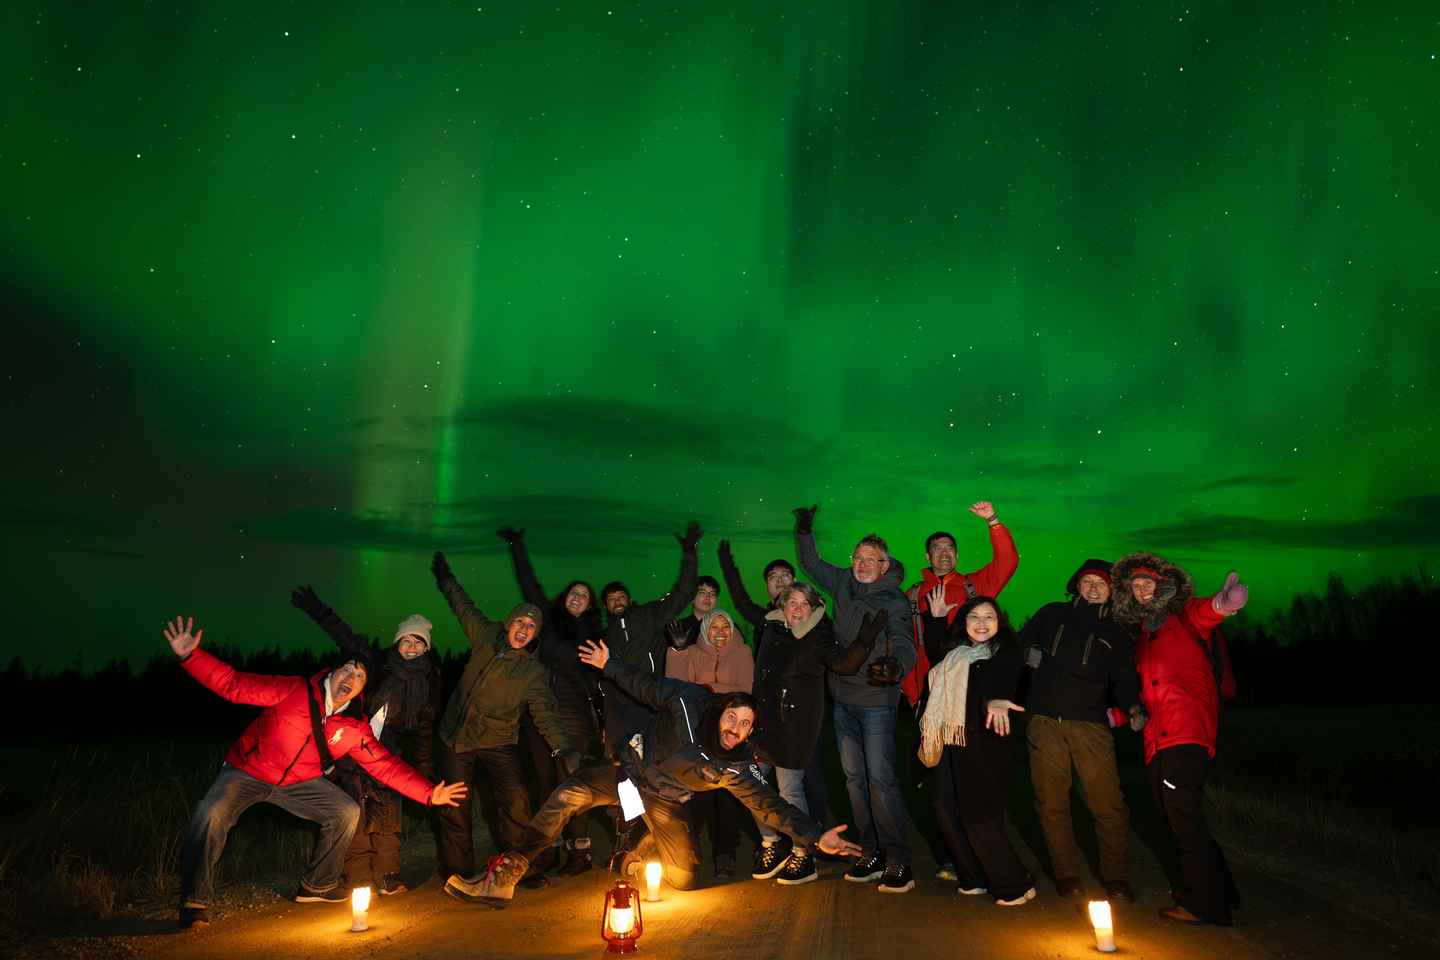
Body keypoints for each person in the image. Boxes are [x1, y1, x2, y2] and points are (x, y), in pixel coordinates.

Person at [443, 637, 863, 902]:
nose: (735, 728)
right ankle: (509, 871)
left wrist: (815, 836)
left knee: (683, 879)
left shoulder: (734, 767)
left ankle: (647, 846)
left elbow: (770, 805)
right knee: (569, 793)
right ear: (721, 711)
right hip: (629, 777)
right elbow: (645, 685)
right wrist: (609, 665)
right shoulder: (687, 703)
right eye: (733, 717)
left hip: (665, 802)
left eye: (745, 725)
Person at [165, 615, 466, 929]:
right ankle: (194, 899)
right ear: (332, 673)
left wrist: (429, 793)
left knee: (345, 811)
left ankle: (317, 886)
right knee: (211, 813)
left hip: (299, 781)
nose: (351, 677)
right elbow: (234, 684)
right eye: (346, 669)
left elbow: (385, 766)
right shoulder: (293, 690)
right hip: (248, 771)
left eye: (360, 676)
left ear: (362, 689)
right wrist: (191, 656)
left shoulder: (353, 726)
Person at [1112, 553, 1249, 926]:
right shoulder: (1144, 635)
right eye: (1135, 585)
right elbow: (1147, 692)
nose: (1141, 589)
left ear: (1162, 584)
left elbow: (1209, 612)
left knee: (1182, 818)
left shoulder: (1183, 615)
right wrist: (1120, 716)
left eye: (1147, 582)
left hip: (1186, 731)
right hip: (1157, 739)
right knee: (1180, 816)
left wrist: (1226, 602)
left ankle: (1206, 905)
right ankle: (1222, 892)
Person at [429, 551, 581, 887]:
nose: (524, 629)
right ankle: (458, 872)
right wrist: (446, 579)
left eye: (531, 627)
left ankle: (522, 867)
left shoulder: (532, 672)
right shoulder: (485, 635)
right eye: (520, 622)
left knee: (515, 802)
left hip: (499, 741)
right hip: (456, 737)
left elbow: (545, 713)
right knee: (455, 805)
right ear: (509, 623)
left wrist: (563, 747)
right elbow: (463, 605)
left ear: (535, 635)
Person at [289, 586, 444, 896]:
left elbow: (424, 728)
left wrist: (423, 767)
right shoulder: (376, 664)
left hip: (388, 751)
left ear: (426, 648)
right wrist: (318, 610)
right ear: (397, 641)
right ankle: (358, 876)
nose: (412, 646)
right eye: (407, 639)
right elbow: (346, 637)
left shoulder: (429, 680)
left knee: (388, 814)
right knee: (354, 809)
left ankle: (387, 874)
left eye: (418, 642)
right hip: (351, 743)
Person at [793, 505, 916, 892]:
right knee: (854, 780)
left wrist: (897, 665)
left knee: (881, 779)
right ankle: (871, 850)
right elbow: (811, 564)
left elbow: (904, 641)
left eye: (870, 559)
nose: (862, 565)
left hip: (876, 700)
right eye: (858, 558)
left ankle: (898, 858)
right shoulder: (844, 582)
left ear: (884, 565)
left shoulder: (893, 600)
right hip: (843, 700)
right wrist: (804, 530)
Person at [1009, 560, 1141, 901]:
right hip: (1044, 722)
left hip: (1090, 725)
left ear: (1112, 591)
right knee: (1051, 803)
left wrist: (1133, 706)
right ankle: (1066, 874)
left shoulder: (1116, 630)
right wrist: (1026, 658)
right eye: (1087, 581)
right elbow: (1017, 646)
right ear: (1076, 585)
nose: (1093, 587)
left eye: (1101, 583)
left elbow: (1125, 676)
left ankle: (1116, 877)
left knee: (1108, 804)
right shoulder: (1052, 613)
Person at [904, 501, 1019, 880]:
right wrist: (911, 694)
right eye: (936, 548)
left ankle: (987, 861)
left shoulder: (974, 587)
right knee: (936, 787)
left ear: (957, 554)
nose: (944, 553)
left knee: (973, 788)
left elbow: (1007, 563)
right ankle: (952, 859)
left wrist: (994, 522)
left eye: (949, 548)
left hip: (972, 705)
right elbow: (907, 644)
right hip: (930, 703)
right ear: (927, 556)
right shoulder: (913, 594)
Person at [749, 582, 875, 884]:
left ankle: (803, 853)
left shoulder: (818, 637)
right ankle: (772, 843)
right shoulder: (771, 630)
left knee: (789, 791)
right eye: (792, 602)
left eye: (805, 603)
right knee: (750, 784)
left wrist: (865, 640)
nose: (797, 608)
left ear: (814, 609)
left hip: (793, 730)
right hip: (763, 728)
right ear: (782, 606)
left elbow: (845, 664)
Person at [497, 526, 605, 875]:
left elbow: (600, 678)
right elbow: (529, 585)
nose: (578, 597)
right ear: (565, 597)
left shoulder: (594, 636)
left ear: (590, 605)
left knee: (573, 782)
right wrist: (517, 545)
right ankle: (548, 849)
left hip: (575, 715)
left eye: (584, 595)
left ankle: (580, 850)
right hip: (540, 712)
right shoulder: (547, 623)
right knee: (544, 782)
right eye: (574, 592)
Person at [918, 596, 1036, 907]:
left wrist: (997, 699)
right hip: (949, 741)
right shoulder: (956, 655)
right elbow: (935, 652)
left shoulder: (1005, 653)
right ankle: (974, 877)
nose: (982, 623)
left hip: (984, 743)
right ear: (964, 623)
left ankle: (1014, 883)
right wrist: (936, 619)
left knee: (979, 814)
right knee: (945, 809)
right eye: (974, 617)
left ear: (999, 623)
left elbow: (1007, 679)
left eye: (989, 617)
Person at [718, 541, 832, 834]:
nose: (780, 581)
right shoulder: (768, 621)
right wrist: (729, 567)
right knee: (759, 781)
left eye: (785, 576)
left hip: (801, 719)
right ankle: (781, 840)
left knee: (805, 781)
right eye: (773, 577)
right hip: (769, 718)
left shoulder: (816, 623)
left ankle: (811, 838)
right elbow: (742, 602)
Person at [597, 521, 702, 764]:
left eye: (621, 596)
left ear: (630, 599)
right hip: (621, 711)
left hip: (652, 702)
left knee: (655, 762)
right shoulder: (604, 637)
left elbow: (683, 593)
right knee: (622, 766)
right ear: (605, 606)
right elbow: (605, 684)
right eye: (611, 599)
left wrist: (689, 552)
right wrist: (608, 726)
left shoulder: (649, 615)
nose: (617, 601)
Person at [664, 608, 754, 879]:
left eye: (725, 627)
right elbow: (675, 687)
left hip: (729, 736)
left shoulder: (742, 653)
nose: (720, 632)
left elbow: (744, 693)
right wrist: (677, 652)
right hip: (699, 734)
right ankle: (691, 849)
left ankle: (725, 852)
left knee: (727, 795)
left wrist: (706, 688)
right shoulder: (691, 652)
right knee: (698, 792)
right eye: (714, 627)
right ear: (705, 630)